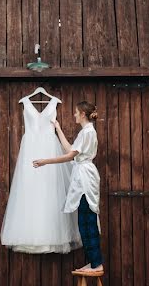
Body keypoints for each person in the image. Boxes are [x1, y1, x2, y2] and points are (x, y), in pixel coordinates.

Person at [32, 101, 104, 276]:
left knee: (88, 221)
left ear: (83, 115)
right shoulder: (85, 132)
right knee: (83, 221)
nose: (74, 115)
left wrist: (45, 161)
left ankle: (97, 263)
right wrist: (58, 128)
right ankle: (93, 262)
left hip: (86, 178)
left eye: (76, 112)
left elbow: (70, 156)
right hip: (82, 177)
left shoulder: (88, 132)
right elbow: (71, 149)